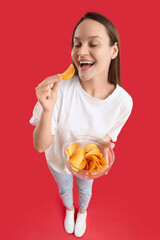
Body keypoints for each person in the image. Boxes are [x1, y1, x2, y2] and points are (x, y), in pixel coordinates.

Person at [29, 12, 133, 237]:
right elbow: (39, 145)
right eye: (76, 44)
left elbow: (107, 135)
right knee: (65, 188)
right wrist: (47, 110)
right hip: (57, 159)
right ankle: (68, 209)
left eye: (93, 43)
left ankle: (82, 211)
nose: (81, 51)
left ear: (114, 51)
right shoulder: (61, 90)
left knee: (85, 190)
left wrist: (103, 146)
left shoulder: (124, 102)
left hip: (87, 165)